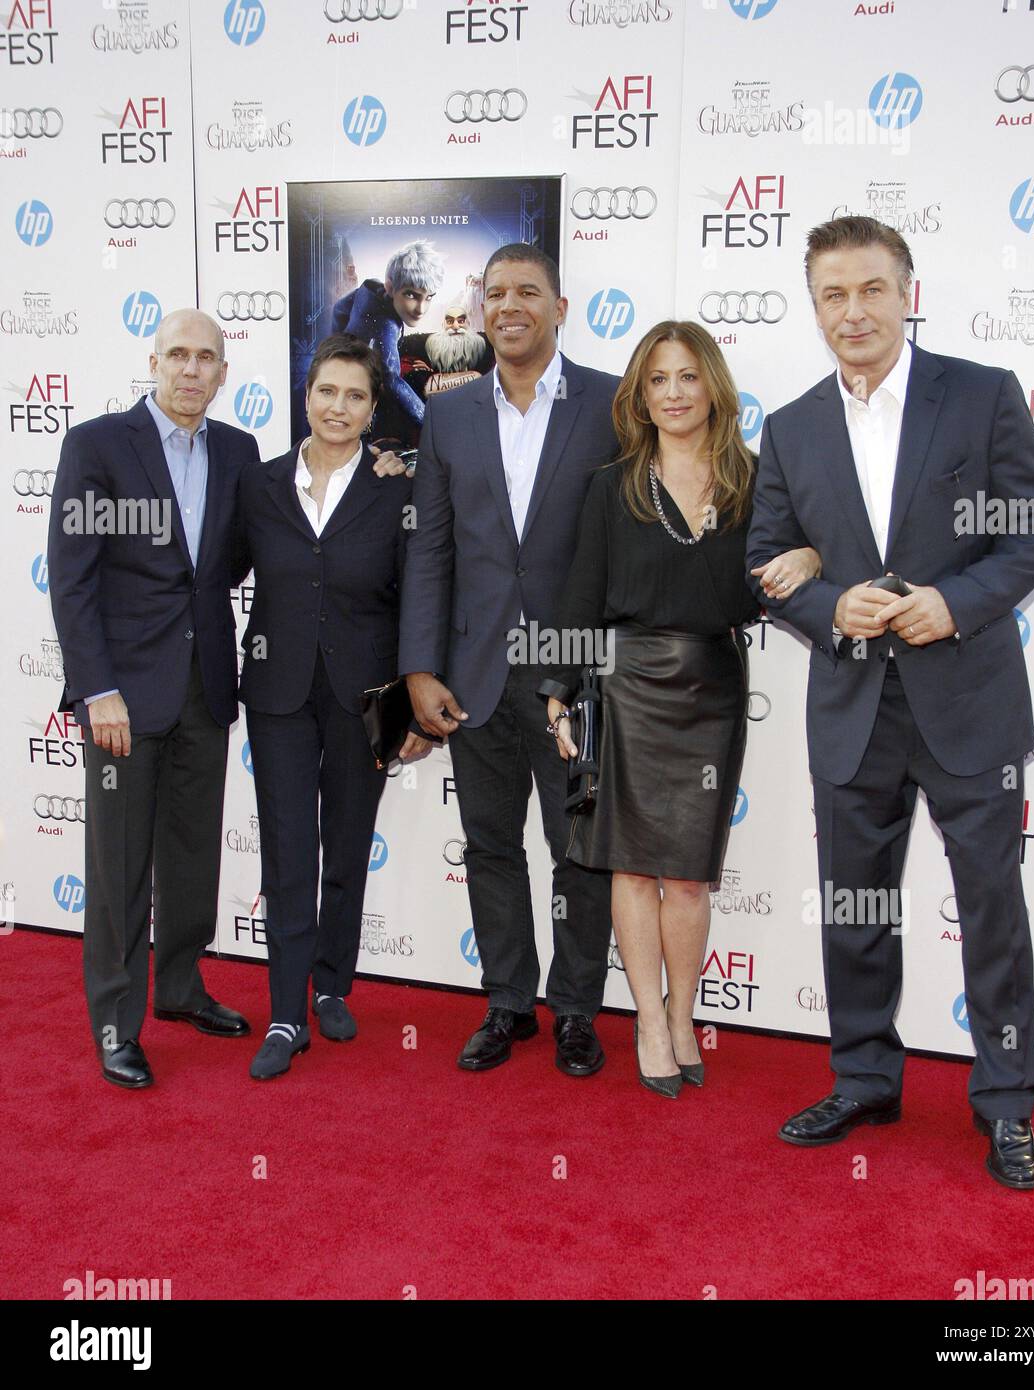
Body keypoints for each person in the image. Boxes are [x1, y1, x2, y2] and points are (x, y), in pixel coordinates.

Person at [744, 215, 1034, 1188]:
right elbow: (762, 556)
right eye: (832, 294)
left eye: (869, 289)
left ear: (906, 290)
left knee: (991, 913)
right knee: (853, 909)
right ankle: (862, 1079)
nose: (852, 311)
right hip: (851, 709)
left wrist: (954, 603)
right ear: (813, 308)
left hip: (966, 704)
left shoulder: (976, 397)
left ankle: (1006, 1104)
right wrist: (824, 603)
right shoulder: (793, 425)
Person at [541, 322, 820, 1097]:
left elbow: (796, 563)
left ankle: (685, 1011)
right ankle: (646, 1019)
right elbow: (579, 595)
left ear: (713, 388)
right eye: (658, 379)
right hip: (626, 686)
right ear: (641, 393)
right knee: (631, 869)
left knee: (689, 877)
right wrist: (559, 691)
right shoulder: (612, 484)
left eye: (688, 377)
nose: (673, 393)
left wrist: (811, 555)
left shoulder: (754, 480)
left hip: (712, 688)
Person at [399, 243, 619, 1077]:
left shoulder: (609, 403)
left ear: (560, 307)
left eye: (529, 291)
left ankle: (574, 1010)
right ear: (480, 309)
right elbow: (430, 552)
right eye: (496, 293)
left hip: (572, 675)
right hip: (474, 673)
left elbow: (623, 538)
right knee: (491, 844)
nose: (511, 305)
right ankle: (506, 1002)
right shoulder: (448, 415)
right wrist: (420, 666)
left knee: (579, 853)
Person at [47, 309, 261, 1089]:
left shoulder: (238, 452)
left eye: (207, 357)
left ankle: (178, 987)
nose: (191, 370)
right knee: (118, 869)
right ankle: (114, 1022)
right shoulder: (98, 445)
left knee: (192, 855)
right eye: (178, 354)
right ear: (153, 360)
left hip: (205, 688)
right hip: (123, 701)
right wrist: (96, 689)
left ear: (223, 372)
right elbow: (71, 579)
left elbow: (245, 553)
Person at [237, 335, 428, 1080]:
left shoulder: (394, 490)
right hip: (278, 690)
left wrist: (414, 701)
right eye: (326, 392)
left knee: (347, 842)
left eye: (354, 396)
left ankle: (331, 983)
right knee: (288, 848)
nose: (337, 408)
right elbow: (217, 569)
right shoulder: (258, 485)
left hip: (363, 694)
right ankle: (286, 1011)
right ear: (305, 397)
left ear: (372, 408)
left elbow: (416, 599)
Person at [331, 238, 445, 448]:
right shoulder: (385, 324)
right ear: (390, 287)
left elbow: (339, 308)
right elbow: (391, 378)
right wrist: (432, 426)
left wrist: (335, 345)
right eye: (412, 295)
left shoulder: (370, 288)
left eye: (429, 297)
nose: (421, 308)